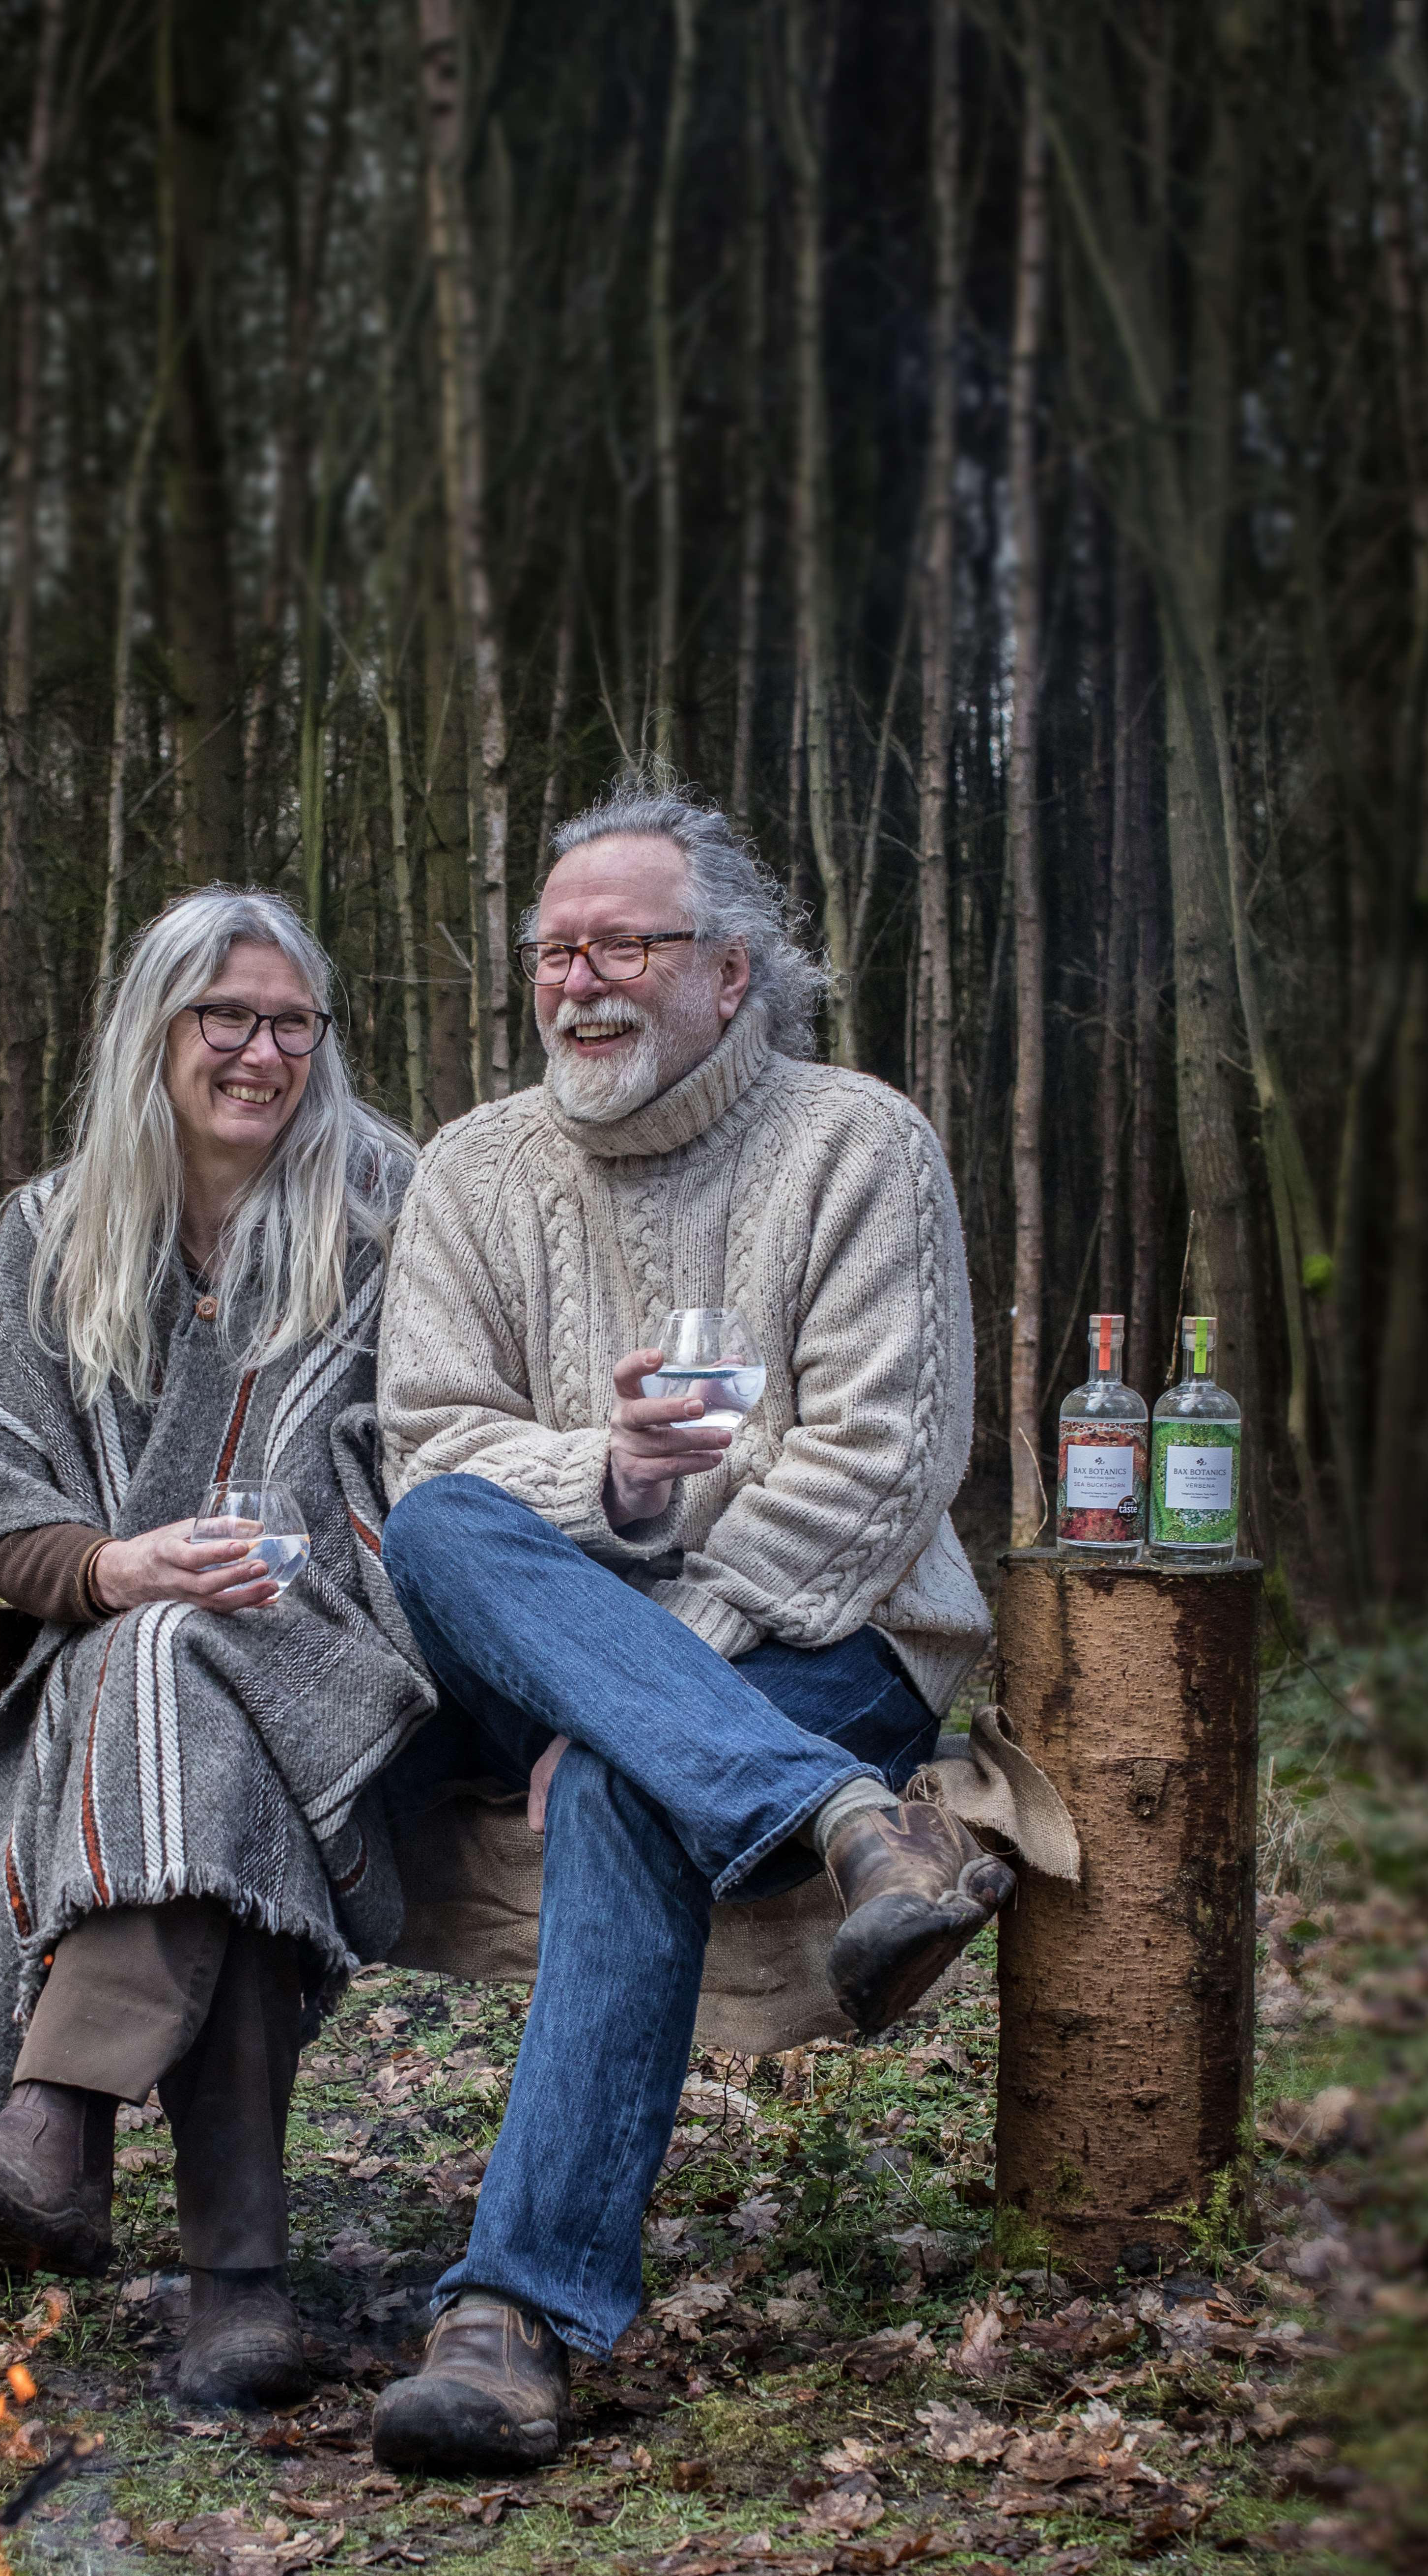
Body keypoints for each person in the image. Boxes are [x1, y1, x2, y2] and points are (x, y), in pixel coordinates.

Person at [368, 782, 1005, 2473]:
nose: (579, 982)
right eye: (553, 952)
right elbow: (430, 1446)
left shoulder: (858, 1142)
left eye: (624, 946)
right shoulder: (470, 1167)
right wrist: (616, 1476)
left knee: (620, 1782)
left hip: (824, 1634)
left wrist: (652, 1683)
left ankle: (512, 2319)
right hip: (560, 1634)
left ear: (730, 971)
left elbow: (881, 1466)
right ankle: (850, 1825)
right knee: (436, 1523)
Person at [0, 890, 433, 2411]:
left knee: (179, 1672)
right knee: (182, 1696)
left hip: (353, 1666)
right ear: (156, 1028)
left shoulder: (391, 1210)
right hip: (133, 1670)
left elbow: (451, 1453)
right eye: (226, 1016)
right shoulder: (53, 1232)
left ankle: (56, 2126)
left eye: (291, 1022)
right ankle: (234, 2290)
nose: (262, 1051)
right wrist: (115, 1565)